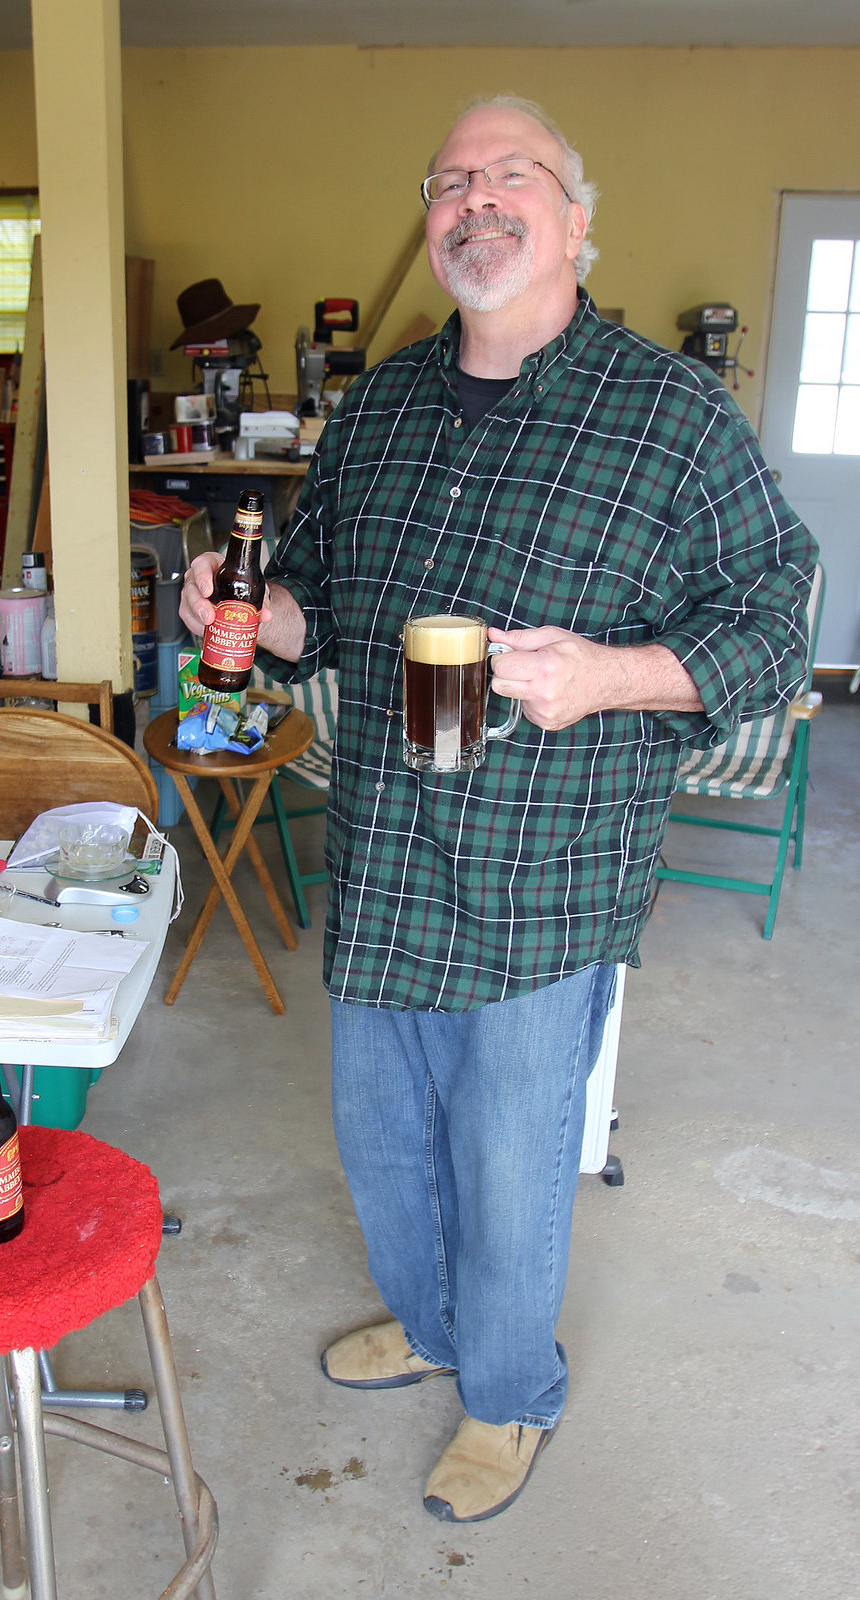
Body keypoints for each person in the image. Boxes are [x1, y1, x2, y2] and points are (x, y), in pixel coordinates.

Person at [180, 94, 817, 1523]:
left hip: (548, 871)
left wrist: (611, 676)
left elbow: (776, 625)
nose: (476, 197)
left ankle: (512, 1391)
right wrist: (251, 613)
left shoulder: (671, 416)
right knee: (383, 1139)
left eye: (510, 174)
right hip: (388, 855)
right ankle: (434, 1323)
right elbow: (316, 606)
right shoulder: (380, 406)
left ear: (577, 221)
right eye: (449, 179)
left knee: (511, 1160)